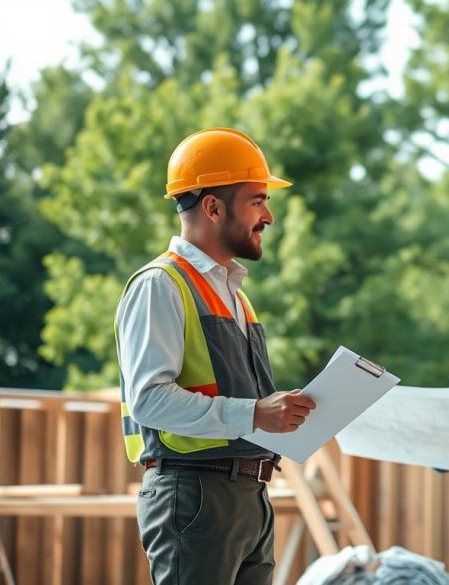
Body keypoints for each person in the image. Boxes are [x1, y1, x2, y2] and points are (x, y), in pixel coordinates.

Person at [115, 127, 317, 585]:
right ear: (212, 206)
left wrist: (283, 417)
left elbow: (245, 407)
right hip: (194, 494)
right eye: (257, 200)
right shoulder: (159, 285)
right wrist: (255, 413)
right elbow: (149, 400)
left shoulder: (234, 295)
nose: (268, 216)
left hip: (249, 494)